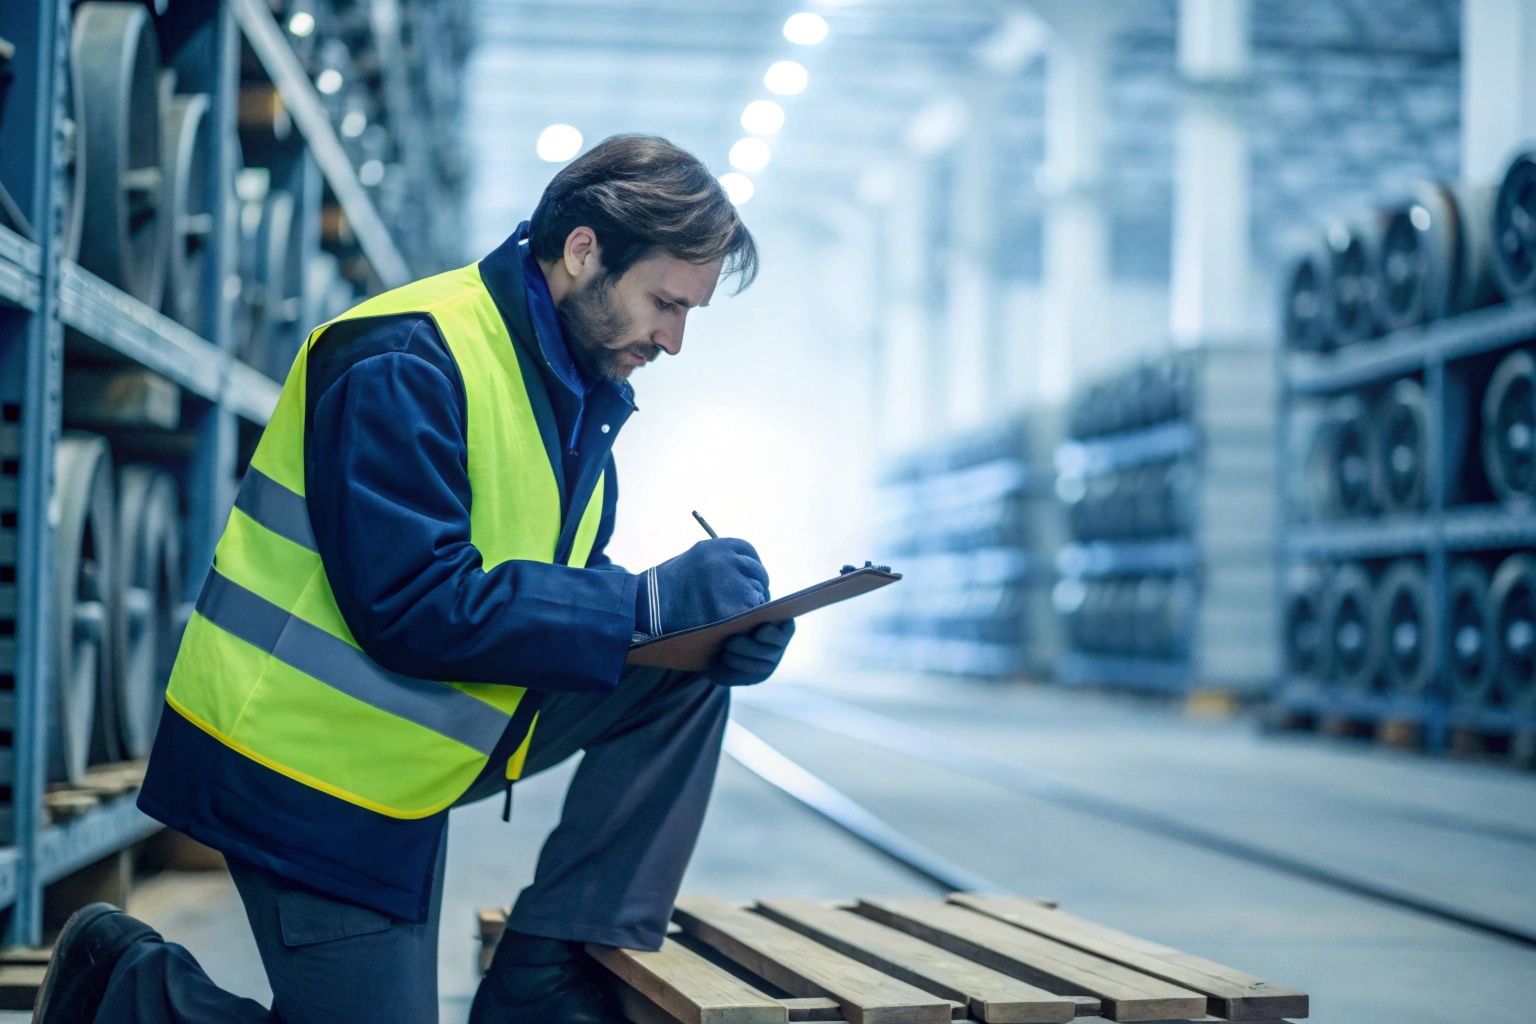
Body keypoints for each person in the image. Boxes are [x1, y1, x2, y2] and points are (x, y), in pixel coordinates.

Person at [35, 134, 795, 1024]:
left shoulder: (573, 391)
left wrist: (703, 633)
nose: (673, 340)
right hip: (305, 767)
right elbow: (410, 602)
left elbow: (546, 584)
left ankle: (548, 973)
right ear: (584, 251)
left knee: (685, 673)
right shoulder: (408, 355)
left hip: (416, 743)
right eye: (664, 303)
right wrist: (644, 603)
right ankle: (122, 990)